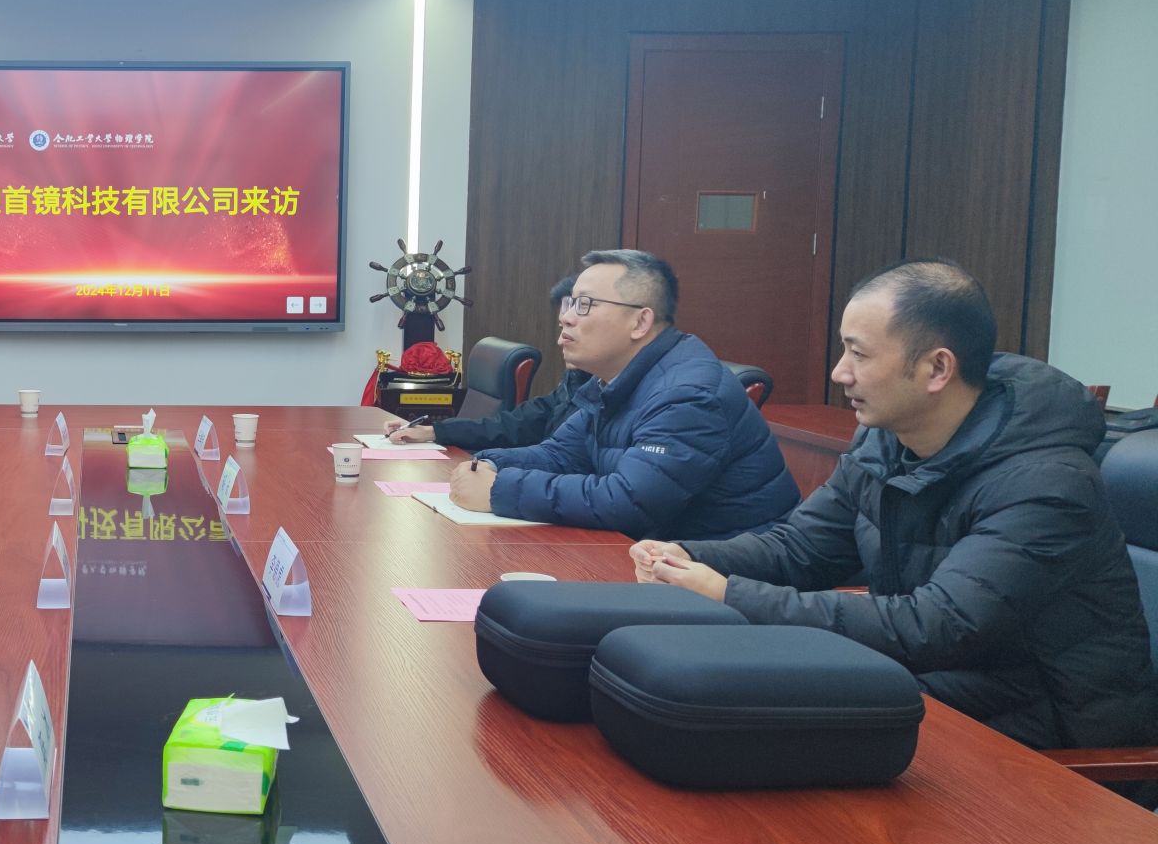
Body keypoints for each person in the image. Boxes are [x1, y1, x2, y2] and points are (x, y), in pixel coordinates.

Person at [635, 259, 1158, 752]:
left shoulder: (1046, 484)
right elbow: (801, 549)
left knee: (747, 723)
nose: (840, 373)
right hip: (936, 684)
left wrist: (728, 593)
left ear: (937, 368)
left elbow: (941, 625)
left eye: (859, 355)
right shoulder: (886, 442)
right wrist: (687, 556)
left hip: (1048, 732)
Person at [448, 249, 799, 537]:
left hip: (725, 574)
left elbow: (630, 501)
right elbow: (560, 454)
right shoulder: (615, 380)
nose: (566, 318)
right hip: (656, 557)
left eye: (584, 304)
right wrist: (488, 464)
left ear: (640, 322)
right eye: (569, 304)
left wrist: (499, 489)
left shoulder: (688, 395)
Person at [386, 275, 587, 452]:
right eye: (562, 328)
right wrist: (433, 431)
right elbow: (512, 426)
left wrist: (488, 466)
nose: (561, 340)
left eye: (570, 327)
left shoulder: (599, 398)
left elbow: (559, 461)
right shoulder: (572, 384)